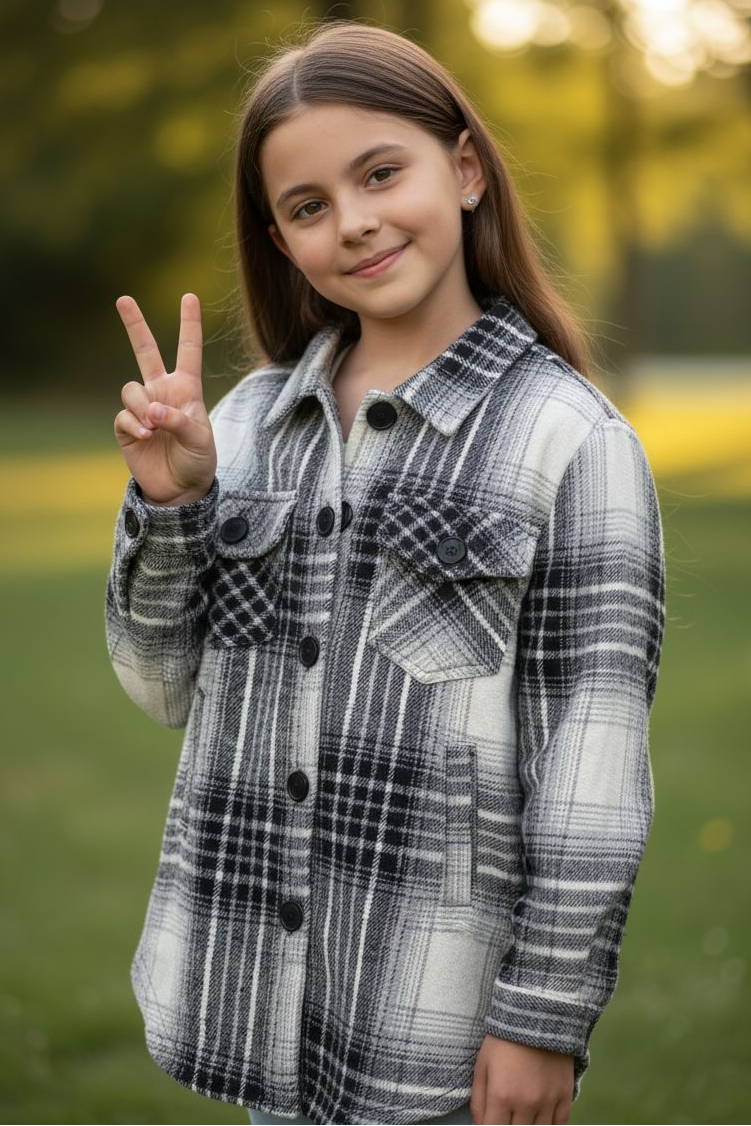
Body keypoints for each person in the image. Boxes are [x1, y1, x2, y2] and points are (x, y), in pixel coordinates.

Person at [105, 18, 667, 1126]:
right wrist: (171, 506)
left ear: (462, 169)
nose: (353, 222)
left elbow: (590, 769)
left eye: (380, 173)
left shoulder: (570, 438)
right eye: (308, 206)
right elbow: (160, 685)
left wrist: (542, 1015)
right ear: (278, 239)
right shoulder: (245, 426)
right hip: (258, 1012)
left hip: (440, 1034)